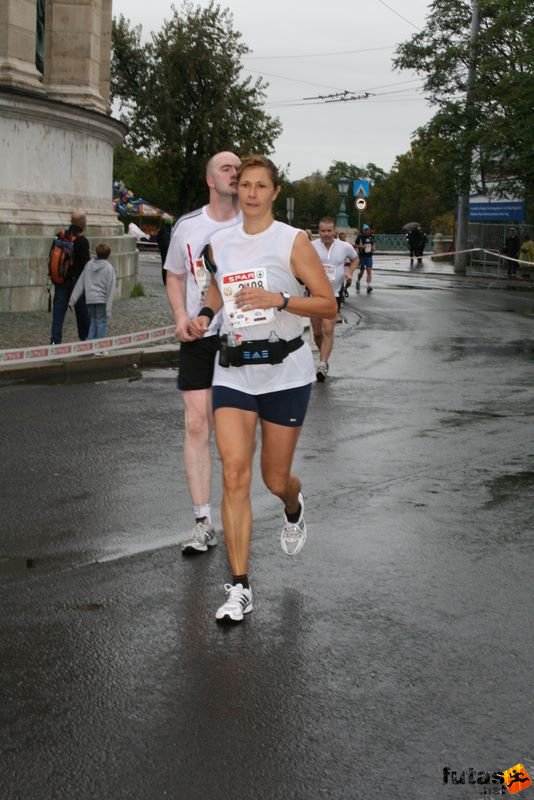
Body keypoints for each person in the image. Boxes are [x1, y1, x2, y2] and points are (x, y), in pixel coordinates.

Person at [188, 155, 337, 623]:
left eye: (260, 186)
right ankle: (239, 586)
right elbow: (216, 287)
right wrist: (206, 316)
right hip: (233, 368)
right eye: (244, 184)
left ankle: (293, 504)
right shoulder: (220, 241)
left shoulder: (292, 241)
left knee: (274, 479)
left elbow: (327, 304)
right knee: (234, 474)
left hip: (284, 372)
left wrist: (280, 299)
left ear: (274, 192)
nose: (251, 192)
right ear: (236, 191)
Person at [165, 151, 241, 554]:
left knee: (235, 432)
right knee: (197, 425)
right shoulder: (188, 227)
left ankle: (237, 511)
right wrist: (180, 314)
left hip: (243, 338)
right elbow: (175, 275)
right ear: (211, 180)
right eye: (227, 168)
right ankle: (202, 521)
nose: (235, 173)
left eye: (238, 167)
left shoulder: (256, 225)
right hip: (199, 333)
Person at [310, 216, 358, 381]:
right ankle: (324, 356)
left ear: (334, 231)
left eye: (329, 230)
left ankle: (322, 364)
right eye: (323, 231)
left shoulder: (344, 247)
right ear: (319, 231)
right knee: (317, 333)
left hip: (334, 294)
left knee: (328, 329)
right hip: (315, 295)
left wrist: (349, 272)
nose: (326, 234)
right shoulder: (311, 247)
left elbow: (355, 258)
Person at [50, 209, 90, 344]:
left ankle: (55, 341)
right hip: (76, 283)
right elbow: (86, 265)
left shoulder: (59, 237)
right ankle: (85, 339)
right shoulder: (82, 241)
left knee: (58, 313)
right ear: (82, 223)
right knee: (82, 311)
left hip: (60, 280)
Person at [69, 242, 116, 340]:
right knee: (102, 322)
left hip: (90, 299)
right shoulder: (108, 268)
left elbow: (80, 283)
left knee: (93, 322)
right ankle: (99, 346)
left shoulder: (89, 265)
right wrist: (109, 308)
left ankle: (89, 344)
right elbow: (110, 288)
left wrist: (72, 300)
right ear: (108, 255)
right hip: (102, 299)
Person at [354, 223, 376, 294]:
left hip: (369, 256)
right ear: (363, 231)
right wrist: (361, 247)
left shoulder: (371, 237)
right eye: (365, 230)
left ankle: (369, 286)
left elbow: (374, 244)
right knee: (362, 271)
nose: (366, 231)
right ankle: (358, 281)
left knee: (369, 270)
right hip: (362, 256)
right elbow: (355, 245)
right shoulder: (360, 237)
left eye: (367, 230)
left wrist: (373, 248)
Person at [156, 216, 173, 285]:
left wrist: (160, 247)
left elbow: (158, 239)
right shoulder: (173, 230)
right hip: (170, 250)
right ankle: (169, 280)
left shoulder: (161, 230)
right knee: (171, 265)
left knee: (164, 265)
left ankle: (165, 281)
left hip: (163, 250)